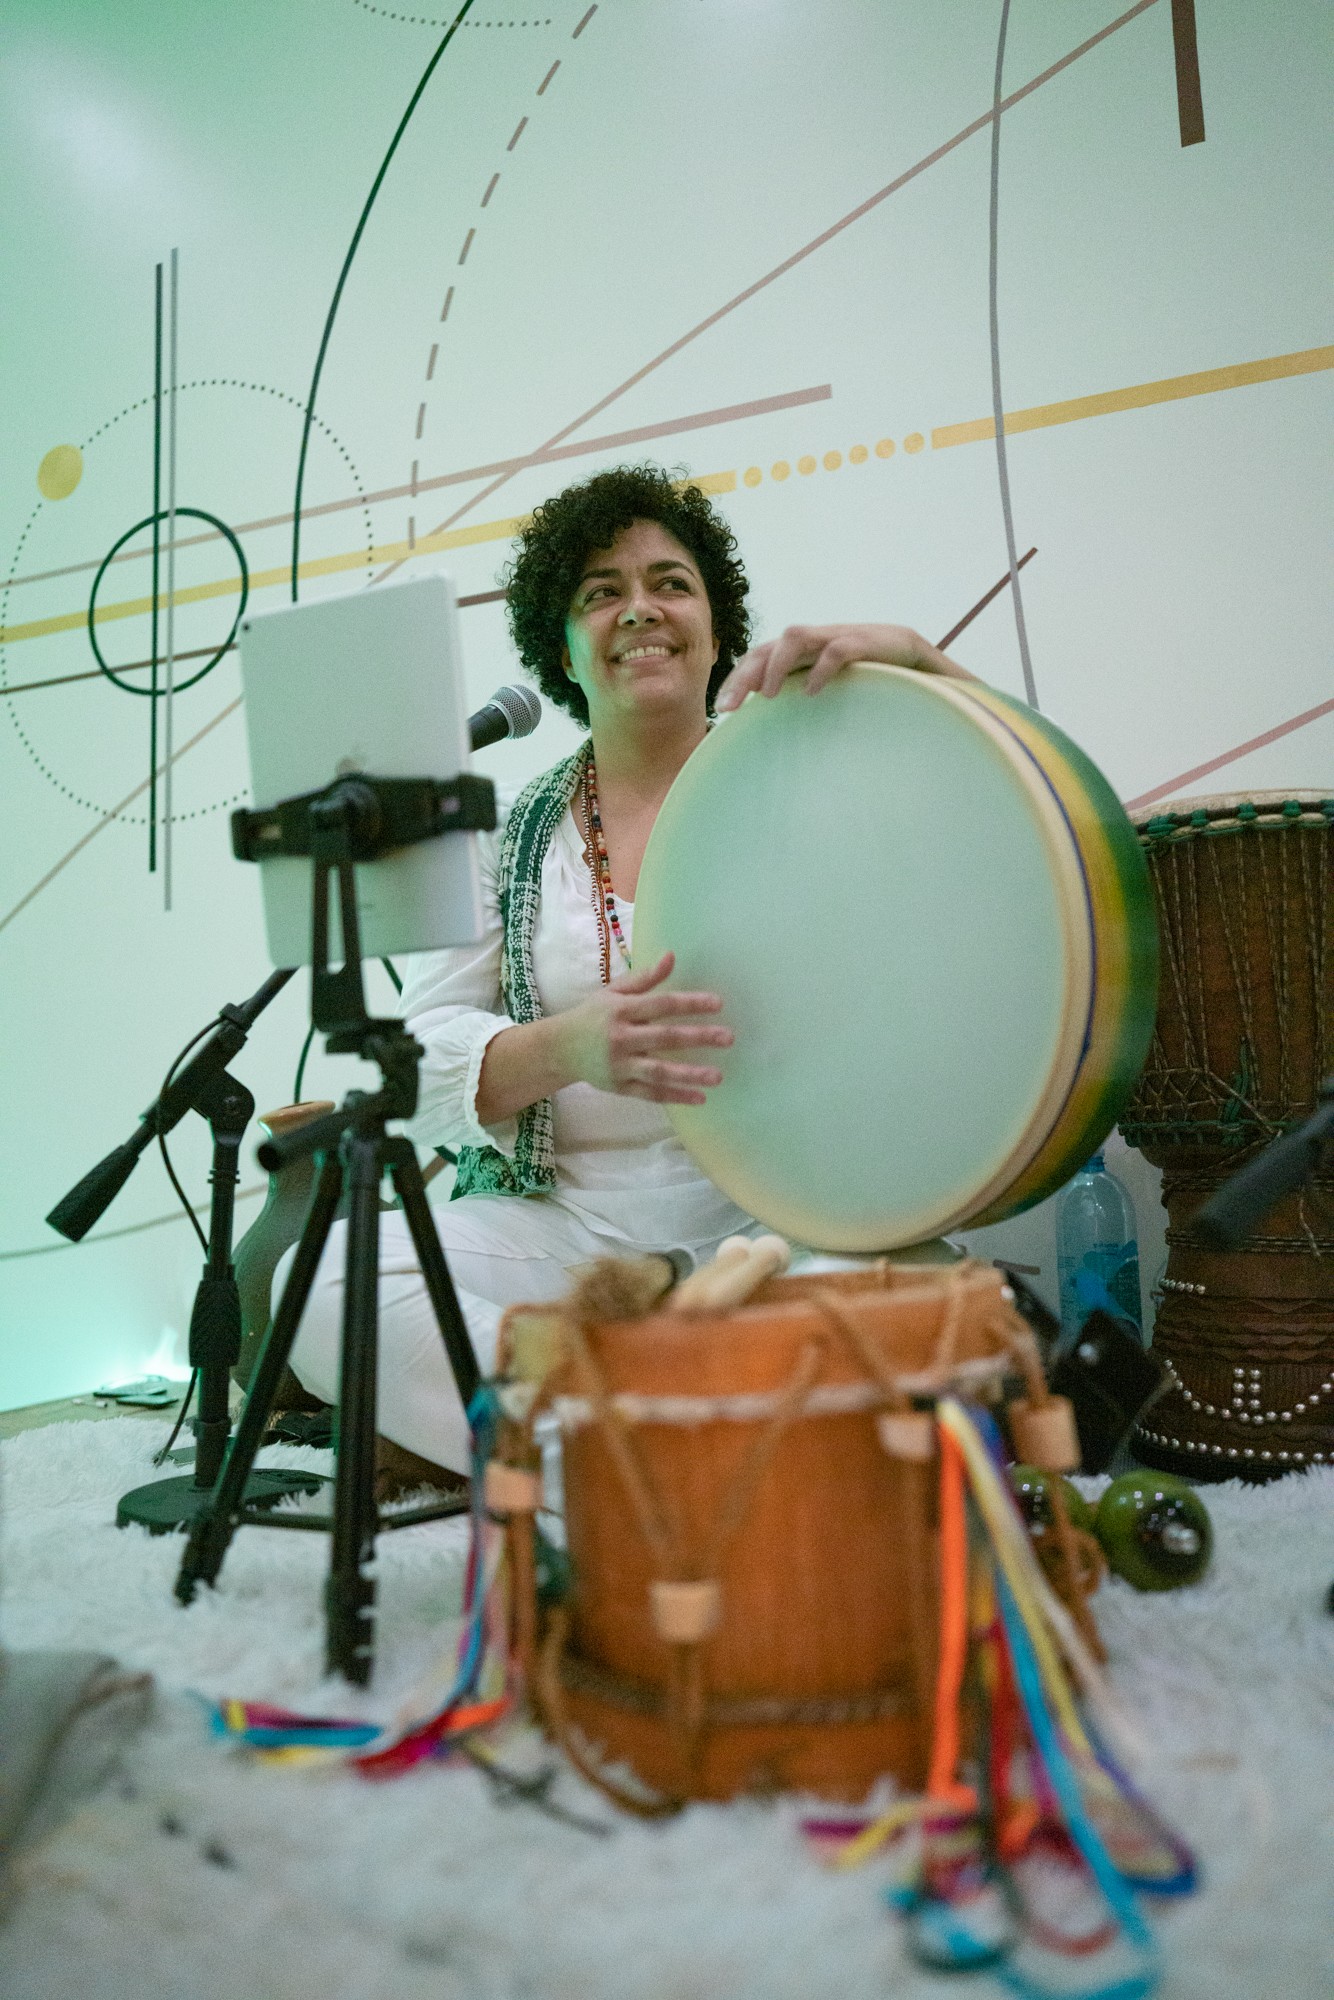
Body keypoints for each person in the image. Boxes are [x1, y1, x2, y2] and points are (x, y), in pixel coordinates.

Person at [285, 463, 972, 1476]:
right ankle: (638, 1463)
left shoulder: (808, 778)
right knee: (323, 1283)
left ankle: (622, 1431)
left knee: (939, 1293)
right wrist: (570, 1046)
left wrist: (921, 666)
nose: (639, 609)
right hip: (569, 1235)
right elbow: (416, 1068)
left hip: (789, 1225)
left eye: (669, 583)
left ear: (715, 625)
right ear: (560, 649)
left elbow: (1000, 828)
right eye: (600, 593)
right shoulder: (506, 834)